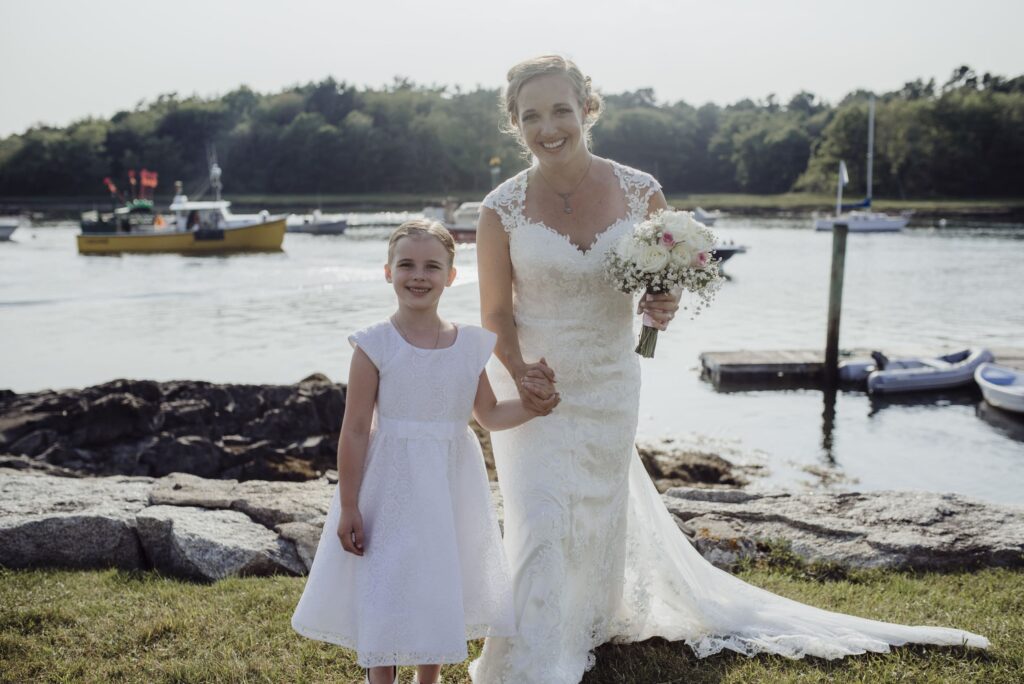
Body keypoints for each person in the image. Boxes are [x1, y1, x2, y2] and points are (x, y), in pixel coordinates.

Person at [469, 55, 989, 684]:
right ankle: (535, 655)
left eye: (560, 110)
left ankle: (591, 617)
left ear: (587, 109)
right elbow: (494, 314)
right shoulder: (501, 208)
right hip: (533, 385)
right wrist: (521, 370)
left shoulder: (641, 191)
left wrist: (664, 302)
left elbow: (661, 283)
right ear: (515, 124)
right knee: (542, 513)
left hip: (610, 378)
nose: (548, 126)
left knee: (598, 504)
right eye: (531, 116)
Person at [292, 220, 542, 684]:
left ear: (452, 275)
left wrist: (532, 406)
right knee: (385, 580)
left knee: (437, 577)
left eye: (432, 266)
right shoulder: (373, 344)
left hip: (449, 483)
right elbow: (354, 431)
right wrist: (349, 505)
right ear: (388, 272)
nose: (418, 275)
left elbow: (487, 414)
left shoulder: (469, 345)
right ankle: (380, 679)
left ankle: (429, 678)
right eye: (406, 264)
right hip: (387, 482)